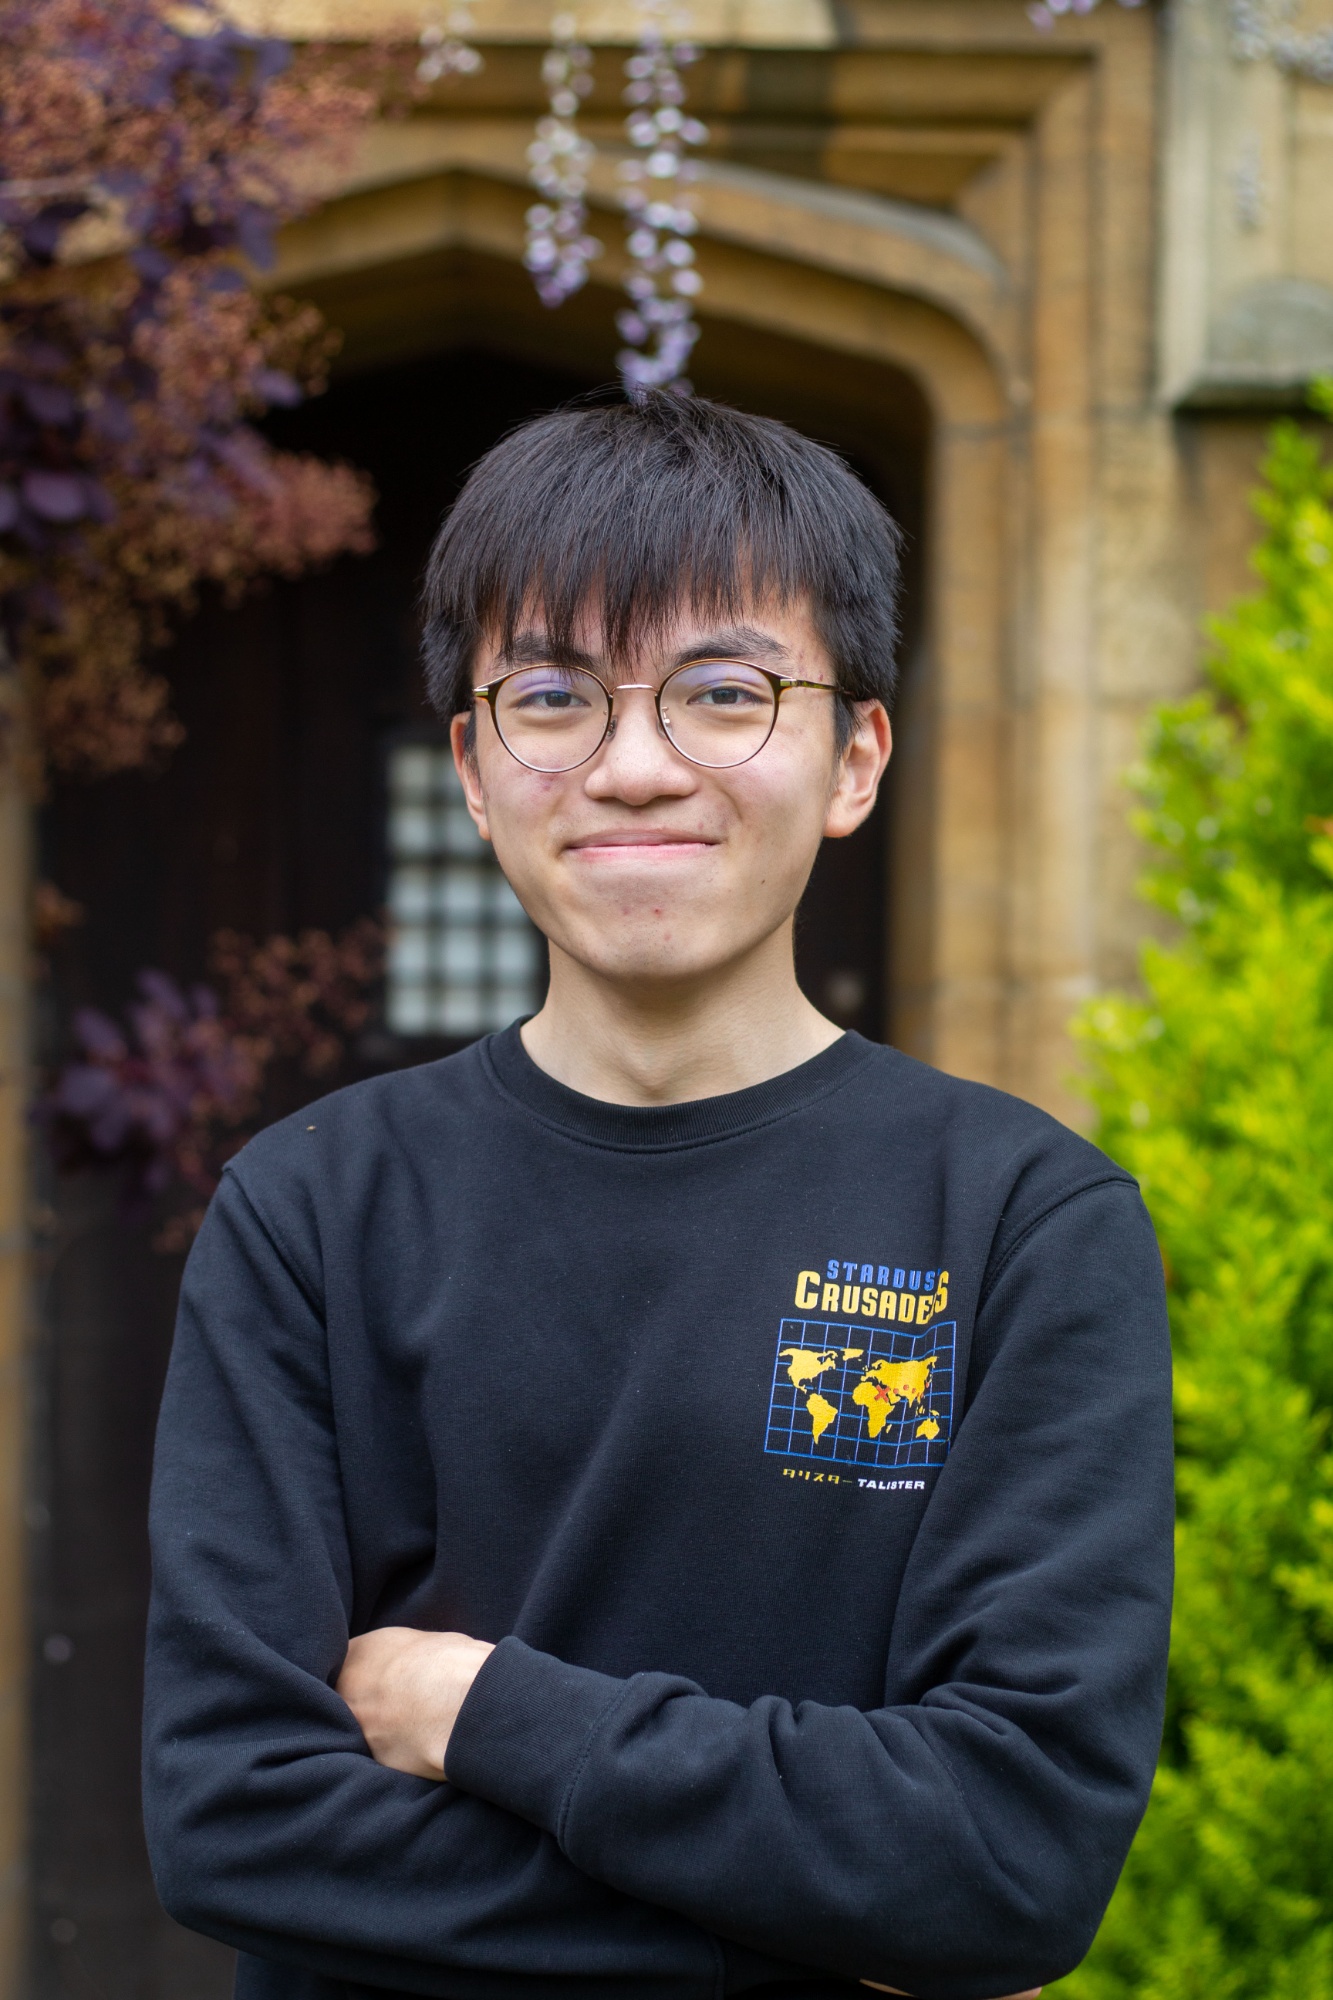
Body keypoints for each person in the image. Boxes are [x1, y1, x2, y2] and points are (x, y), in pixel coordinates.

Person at [143, 392, 1173, 2000]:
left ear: (854, 758)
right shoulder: (310, 1213)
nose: (632, 767)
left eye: (722, 693)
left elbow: (1009, 1857)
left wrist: (482, 1713)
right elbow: (235, 1822)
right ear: (473, 767)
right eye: (552, 697)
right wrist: (815, 1921)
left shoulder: (1020, 1225)